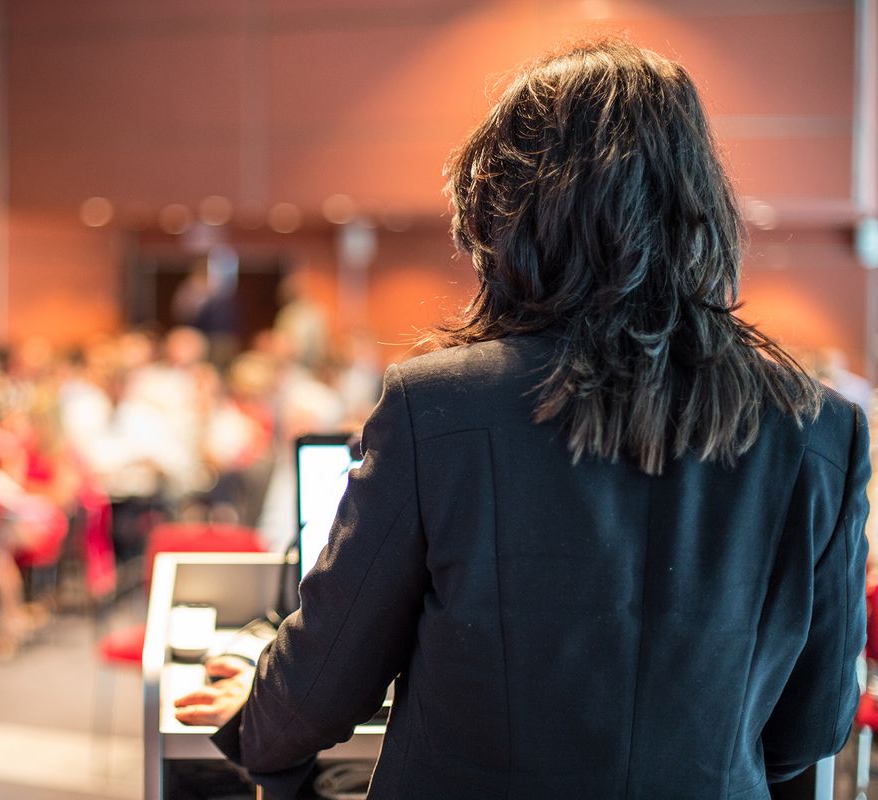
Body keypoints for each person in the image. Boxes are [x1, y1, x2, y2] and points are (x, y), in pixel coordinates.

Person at [174, 37, 870, 798]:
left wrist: (254, 707)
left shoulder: (434, 408)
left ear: (506, 216)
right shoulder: (818, 428)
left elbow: (321, 688)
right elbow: (812, 728)